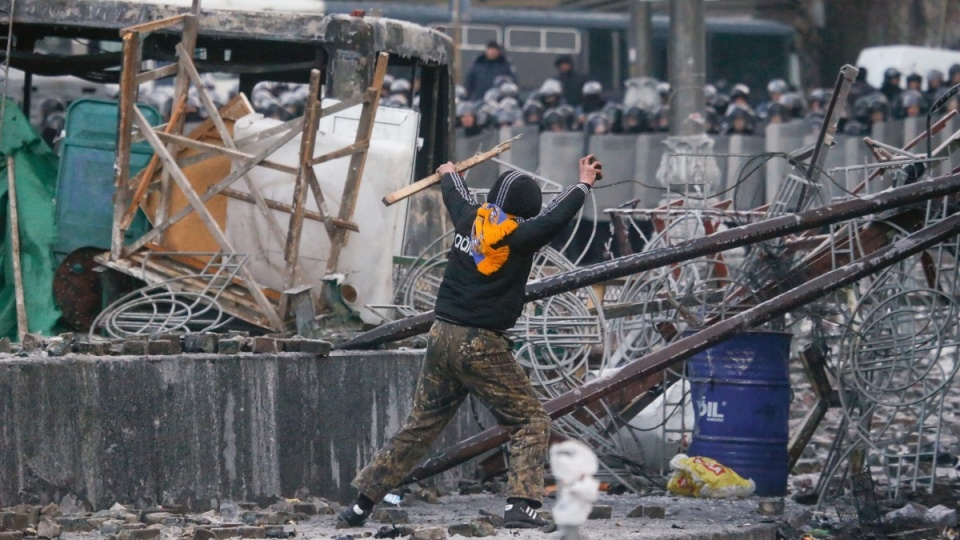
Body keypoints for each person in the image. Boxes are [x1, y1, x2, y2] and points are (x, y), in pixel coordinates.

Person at [337, 155, 603, 530]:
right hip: (479, 343)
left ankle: (360, 506)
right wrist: (583, 183)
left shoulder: (469, 217)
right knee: (530, 419)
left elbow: (454, 191)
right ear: (525, 211)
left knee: (420, 426)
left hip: (442, 335)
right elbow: (555, 217)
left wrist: (448, 171)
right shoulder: (519, 237)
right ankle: (521, 506)